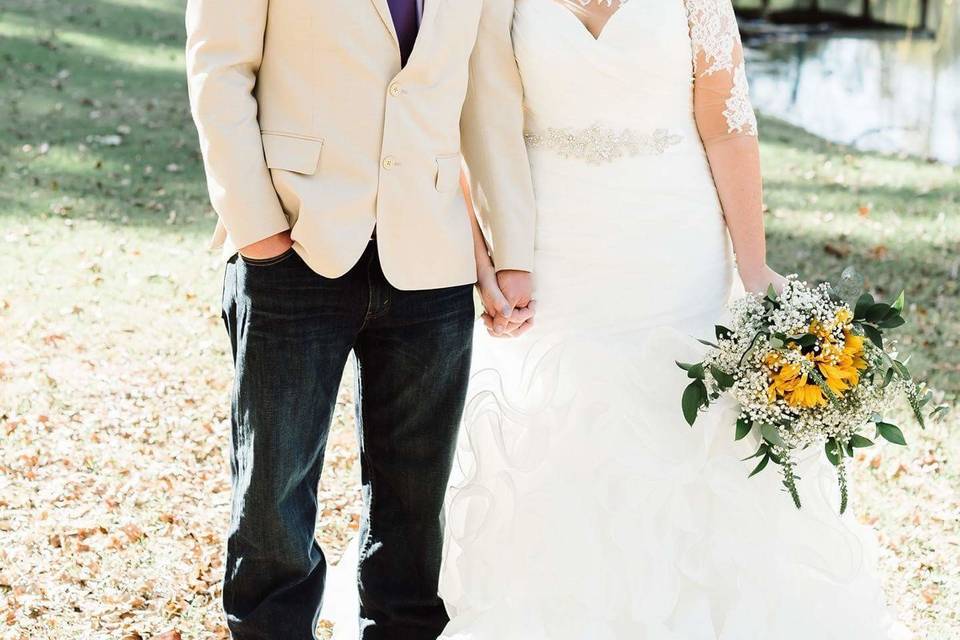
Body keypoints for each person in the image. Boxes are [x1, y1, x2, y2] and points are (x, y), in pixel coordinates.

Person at [438, 0, 902, 638]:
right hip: (552, 252)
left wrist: (755, 265)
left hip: (676, 248)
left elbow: (727, 122)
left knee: (685, 427)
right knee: (561, 428)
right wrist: (488, 255)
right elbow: (468, 116)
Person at [184, 0, 535, 637]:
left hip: (431, 258)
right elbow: (220, 67)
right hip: (294, 244)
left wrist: (509, 250)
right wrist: (256, 226)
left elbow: (487, 96)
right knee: (273, 497)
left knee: (415, 501)